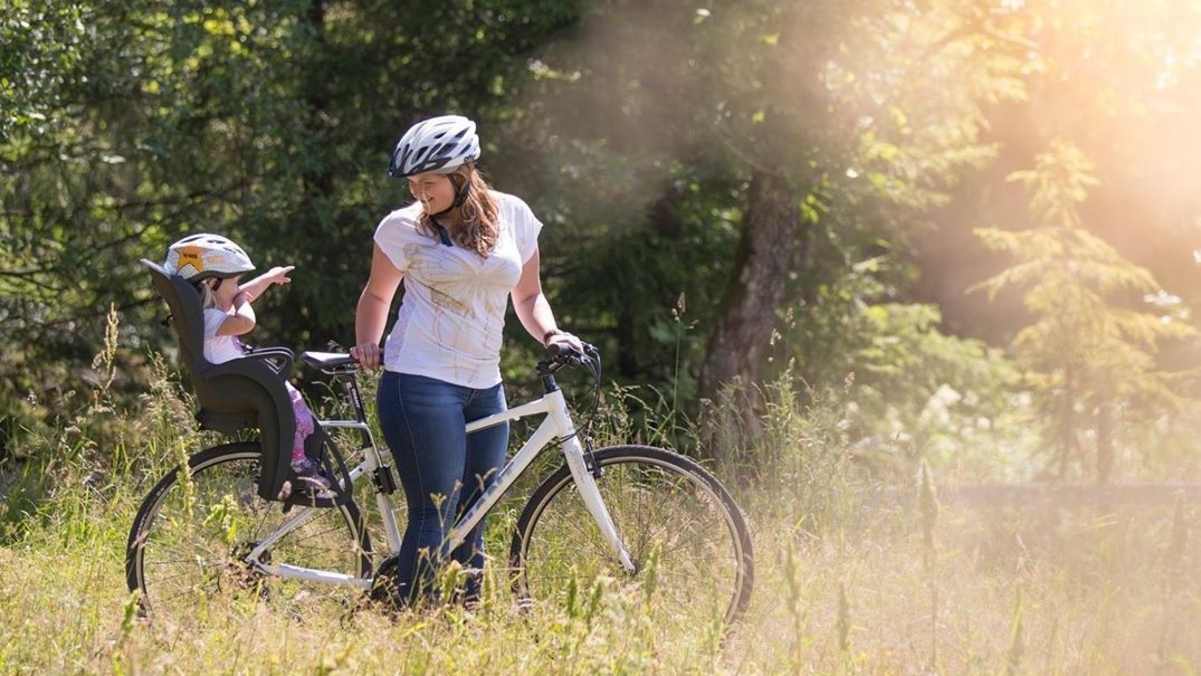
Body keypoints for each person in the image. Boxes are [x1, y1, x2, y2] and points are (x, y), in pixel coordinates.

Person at [351, 115, 582, 606]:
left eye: (428, 182)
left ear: (462, 174)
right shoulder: (403, 227)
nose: (419, 193)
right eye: (412, 183)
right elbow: (377, 295)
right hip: (419, 380)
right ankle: (410, 626)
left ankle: (462, 624)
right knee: (435, 511)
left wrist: (552, 333)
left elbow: (529, 295)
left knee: (478, 511)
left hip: (485, 384)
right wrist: (369, 343)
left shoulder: (513, 216)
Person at [163, 234, 331, 494]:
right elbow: (246, 322)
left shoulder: (207, 315)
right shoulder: (210, 320)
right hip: (238, 384)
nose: (239, 289)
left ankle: (299, 464)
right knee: (292, 403)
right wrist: (241, 300)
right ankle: (297, 465)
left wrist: (267, 279)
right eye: (235, 282)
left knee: (293, 404)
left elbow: (243, 296)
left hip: (237, 380)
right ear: (211, 283)